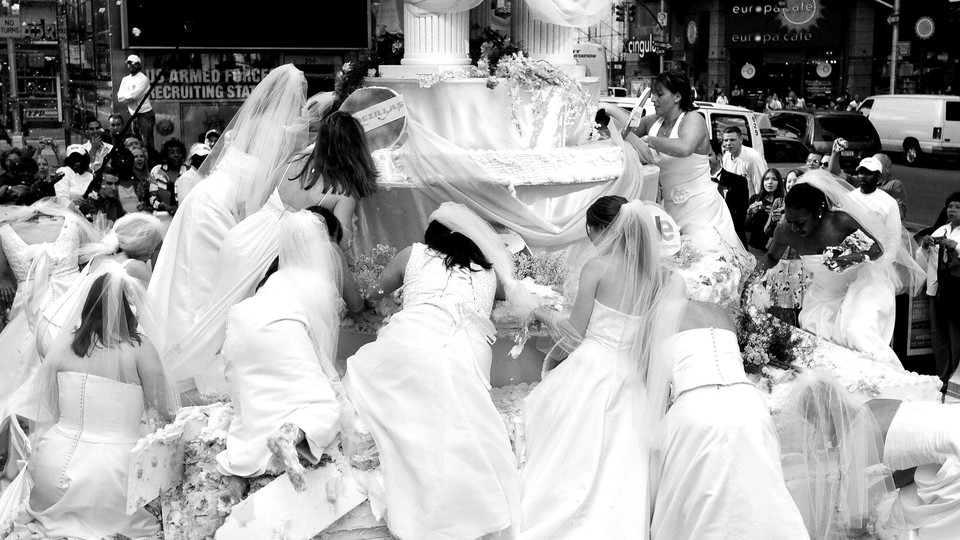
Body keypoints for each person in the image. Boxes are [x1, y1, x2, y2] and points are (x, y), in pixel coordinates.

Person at [344, 203, 529, 540]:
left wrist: (375, 295)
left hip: (413, 336)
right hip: (467, 349)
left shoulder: (410, 255)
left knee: (378, 379)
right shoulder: (486, 272)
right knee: (454, 405)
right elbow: (507, 293)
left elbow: (374, 295)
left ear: (431, 234)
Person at [159, 110, 373, 394]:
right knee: (253, 322)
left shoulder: (292, 163)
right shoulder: (344, 190)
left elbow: (259, 198)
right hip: (278, 253)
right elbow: (341, 241)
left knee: (221, 316)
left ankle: (187, 368)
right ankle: (237, 383)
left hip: (244, 238)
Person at [522, 198, 681, 538]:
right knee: (619, 459)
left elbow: (575, 332)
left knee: (566, 442)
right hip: (628, 374)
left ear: (598, 229)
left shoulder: (597, 267)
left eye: (589, 230)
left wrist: (542, 312)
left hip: (592, 366)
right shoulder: (653, 276)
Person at [143, 65, 311, 383]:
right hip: (220, 208)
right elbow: (259, 191)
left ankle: (174, 344)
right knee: (211, 285)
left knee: (186, 276)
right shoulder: (276, 134)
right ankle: (193, 356)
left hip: (205, 197)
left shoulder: (251, 124)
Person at [5, 263, 178, 539]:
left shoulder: (65, 346)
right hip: (115, 475)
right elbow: (166, 409)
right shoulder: (140, 348)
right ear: (127, 306)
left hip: (54, 464)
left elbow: (53, 406)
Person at [216, 211, 352, 492]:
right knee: (323, 407)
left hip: (241, 322)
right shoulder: (318, 282)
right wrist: (334, 386)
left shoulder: (275, 276)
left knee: (253, 404)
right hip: (283, 327)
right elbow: (318, 351)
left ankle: (237, 474)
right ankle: (290, 434)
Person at [651, 297, 808, 539]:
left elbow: (655, 389)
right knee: (759, 496)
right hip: (749, 405)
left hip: (697, 409)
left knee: (699, 505)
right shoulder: (720, 312)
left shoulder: (657, 315)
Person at [756, 171, 922, 367]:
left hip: (860, 288)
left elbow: (877, 248)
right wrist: (753, 277)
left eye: (799, 223)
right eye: (789, 221)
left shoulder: (841, 222)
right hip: (822, 297)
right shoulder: (785, 231)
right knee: (818, 349)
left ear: (818, 212)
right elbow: (771, 257)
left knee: (857, 336)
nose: (793, 229)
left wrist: (846, 257)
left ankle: (888, 382)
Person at [778, 369, 960, 538]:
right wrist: (879, 487)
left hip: (956, 452)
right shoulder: (872, 405)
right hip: (953, 420)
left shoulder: (855, 440)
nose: (819, 432)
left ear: (824, 418)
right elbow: (917, 459)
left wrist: (857, 528)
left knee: (903, 529)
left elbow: (857, 520)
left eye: (815, 424)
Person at [0, 197, 101, 422]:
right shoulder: (73, 223)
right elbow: (92, 258)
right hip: (39, 305)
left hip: (58, 301)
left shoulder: (5, 231)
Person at [623, 70, 745, 252]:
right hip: (669, 209)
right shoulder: (653, 122)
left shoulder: (693, 118)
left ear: (678, 96)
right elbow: (626, 130)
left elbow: (684, 147)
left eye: (660, 94)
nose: (653, 99)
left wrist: (650, 141)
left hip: (701, 208)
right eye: (653, 94)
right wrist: (607, 112)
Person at [916, 192, 960, 393]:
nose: (952, 210)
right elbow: (922, 260)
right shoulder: (940, 230)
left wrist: (957, 247)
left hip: (956, 291)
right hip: (937, 290)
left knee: (955, 335)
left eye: (958, 207)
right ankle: (942, 377)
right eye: (950, 206)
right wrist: (925, 247)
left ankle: (955, 378)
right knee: (938, 334)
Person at [708, 139, 749, 246]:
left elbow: (741, 215)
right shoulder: (696, 182)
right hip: (706, 239)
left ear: (718, 156)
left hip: (732, 239)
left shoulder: (738, 181)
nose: (704, 160)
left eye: (709, 155)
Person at [116, 54, 156, 151]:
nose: (131, 66)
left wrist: (127, 95)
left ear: (139, 65)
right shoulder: (125, 79)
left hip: (145, 114)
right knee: (136, 143)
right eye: (129, 64)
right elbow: (119, 97)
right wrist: (129, 96)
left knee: (147, 144)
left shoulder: (143, 79)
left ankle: (150, 163)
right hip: (133, 114)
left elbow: (134, 96)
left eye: (134, 64)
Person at [721, 126, 768, 197]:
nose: (728, 143)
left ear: (741, 140)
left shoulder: (753, 158)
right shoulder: (726, 157)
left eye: (732, 140)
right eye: (726, 140)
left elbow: (760, 186)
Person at [745, 168, 785, 252]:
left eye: (774, 179)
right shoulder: (755, 199)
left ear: (779, 183)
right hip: (755, 247)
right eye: (767, 179)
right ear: (763, 182)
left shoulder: (783, 202)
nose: (770, 182)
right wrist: (749, 213)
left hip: (775, 249)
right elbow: (744, 225)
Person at [149, 137, 188, 221]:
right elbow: (152, 198)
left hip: (184, 218)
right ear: (166, 155)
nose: (176, 155)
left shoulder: (188, 172)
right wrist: (166, 207)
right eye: (172, 152)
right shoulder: (157, 171)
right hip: (162, 218)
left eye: (179, 152)